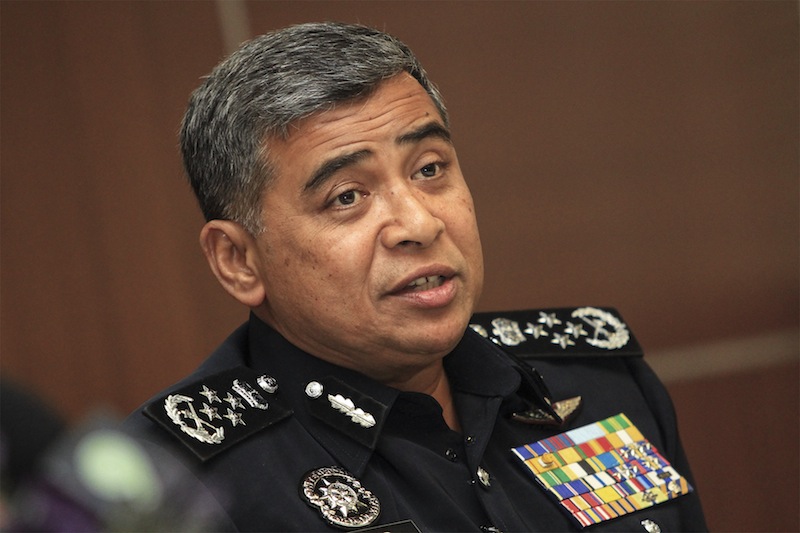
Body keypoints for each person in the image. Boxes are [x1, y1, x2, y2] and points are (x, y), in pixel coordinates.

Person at [126, 22, 707, 532]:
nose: (419, 223)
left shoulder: (599, 383)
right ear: (238, 260)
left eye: (429, 169)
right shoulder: (171, 492)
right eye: (347, 196)